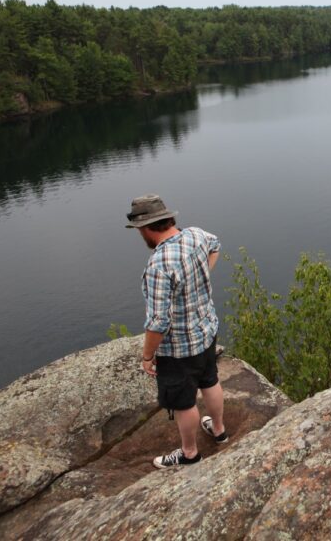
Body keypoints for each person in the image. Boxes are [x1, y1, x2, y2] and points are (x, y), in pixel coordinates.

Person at [125, 194, 229, 468]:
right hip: (206, 330)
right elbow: (216, 244)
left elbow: (159, 321)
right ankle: (219, 431)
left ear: (146, 228)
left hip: (179, 349)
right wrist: (200, 278)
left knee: (183, 402)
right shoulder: (195, 235)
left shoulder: (159, 264)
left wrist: (148, 357)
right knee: (210, 380)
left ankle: (189, 453)